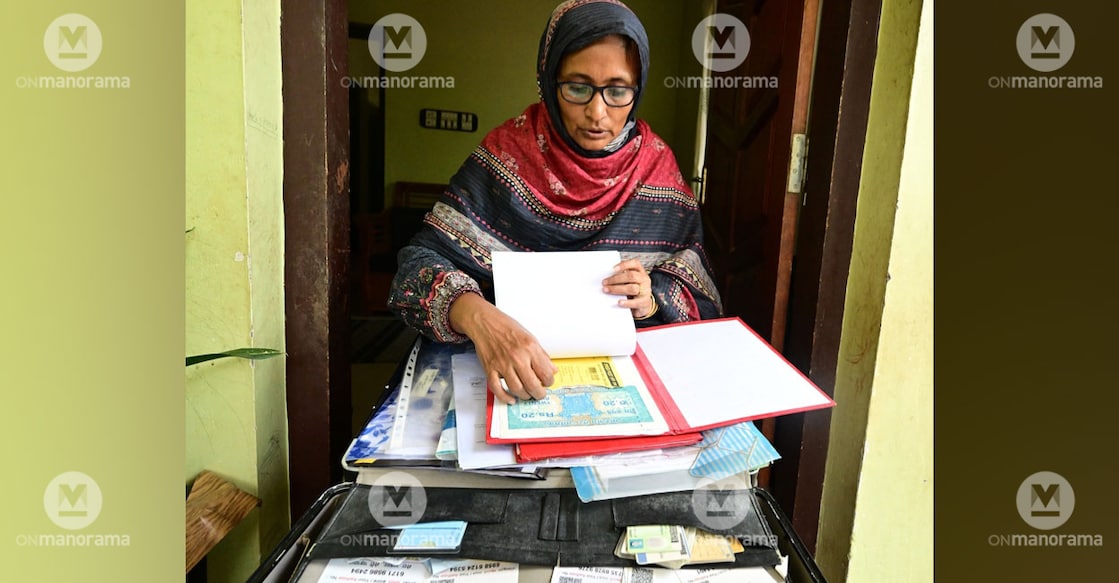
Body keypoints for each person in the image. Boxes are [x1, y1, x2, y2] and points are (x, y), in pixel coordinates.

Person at [388, 0, 722, 405]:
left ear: (638, 88)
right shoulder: (505, 156)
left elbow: (697, 301)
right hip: (498, 372)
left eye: (618, 90)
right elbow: (415, 271)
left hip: (620, 385)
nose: (597, 112)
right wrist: (479, 318)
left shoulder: (657, 169)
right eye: (577, 87)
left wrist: (650, 299)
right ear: (549, 81)